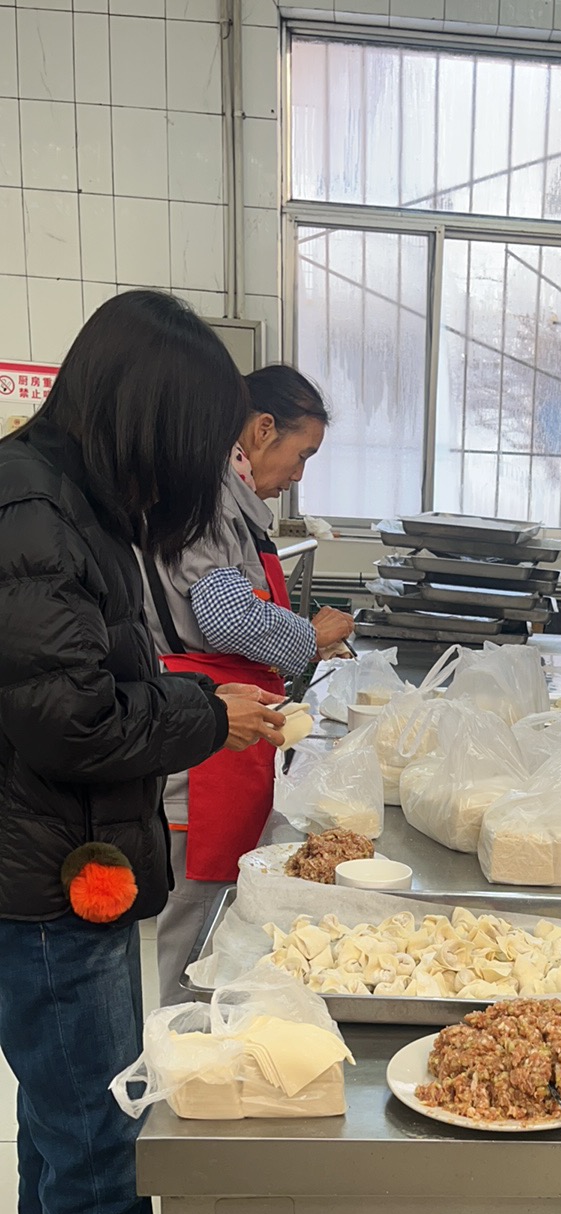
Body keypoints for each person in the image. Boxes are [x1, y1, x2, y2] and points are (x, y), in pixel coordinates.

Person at [0, 290, 286, 1214]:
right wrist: (205, 712)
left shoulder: (64, 500)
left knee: (58, 1106)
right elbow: (75, 717)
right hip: (48, 878)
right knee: (101, 1136)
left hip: (57, 860)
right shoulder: (33, 512)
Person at [145, 364, 354, 1005]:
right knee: (199, 926)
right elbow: (226, 615)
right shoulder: (206, 503)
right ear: (263, 430)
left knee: (223, 919)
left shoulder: (231, 504)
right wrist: (308, 636)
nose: (298, 475)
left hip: (231, 735)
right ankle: (182, 1045)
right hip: (205, 740)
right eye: (302, 454)